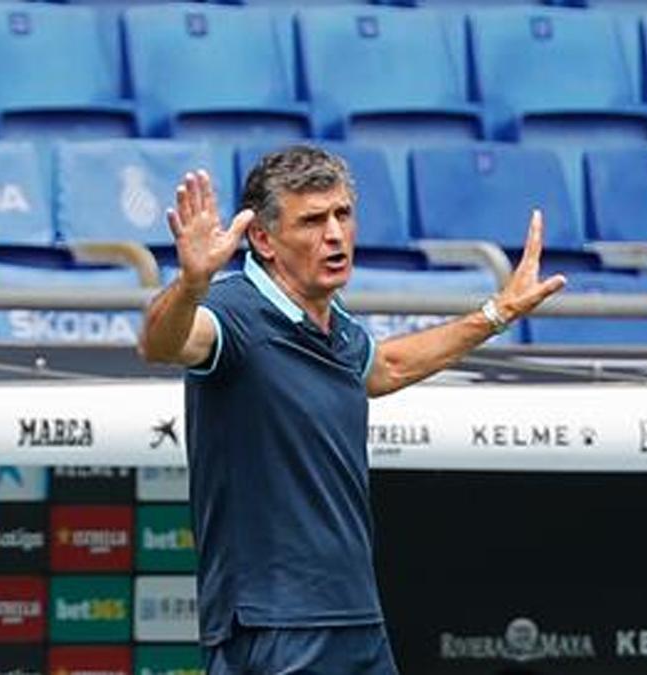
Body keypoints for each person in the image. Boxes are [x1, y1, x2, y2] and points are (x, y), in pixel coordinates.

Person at [138, 145, 565, 674]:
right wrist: (192, 283)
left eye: (342, 214)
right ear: (264, 240)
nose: (335, 234)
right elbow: (163, 343)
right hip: (273, 627)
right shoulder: (234, 313)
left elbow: (386, 368)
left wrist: (497, 312)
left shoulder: (335, 324)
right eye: (312, 221)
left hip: (357, 619)